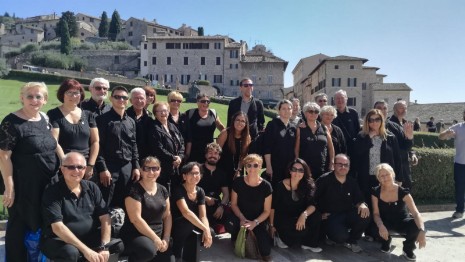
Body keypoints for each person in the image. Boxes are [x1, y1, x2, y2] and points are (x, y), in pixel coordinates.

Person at [0, 82, 59, 260]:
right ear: (22, 98)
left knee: (46, 221)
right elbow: (3, 156)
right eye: (30, 96)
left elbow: (54, 145)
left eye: (38, 96)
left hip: (48, 181)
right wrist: (9, 187)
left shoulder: (45, 118)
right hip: (24, 184)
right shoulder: (11, 122)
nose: (34, 100)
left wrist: (67, 164)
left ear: (45, 99)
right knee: (20, 225)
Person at [40, 152, 123, 262]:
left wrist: (104, 246)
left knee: (118, 245)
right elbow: (58, 227)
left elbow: (105, 217)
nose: (76, 171)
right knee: (71, 253)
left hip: (89, 237)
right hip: (61, 239)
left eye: (80, 167)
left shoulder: (92, 187)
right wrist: (86, 251)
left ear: (85, 169)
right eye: (71, 167)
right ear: (62, 169)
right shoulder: (52, 192)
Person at [314, 154, 370, 253]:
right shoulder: (324, 179)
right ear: (334, 165)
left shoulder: (352, 181)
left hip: (347, 214)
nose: (343, 167)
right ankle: (336, 236)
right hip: (330, 217)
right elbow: (312, 199)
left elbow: (359, 199)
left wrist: (362, 204)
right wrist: (318, 215)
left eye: (346, 165)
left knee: (365, 214)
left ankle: (352, 240)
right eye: (340, 164)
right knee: (341, 237)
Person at [121, 156, 172, 262]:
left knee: (169, 258)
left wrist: (166, 238)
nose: (151, 172)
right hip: (138, 234)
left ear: (160, 170)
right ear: (140, 170)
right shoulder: (133, 190)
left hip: (159, 234)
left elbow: (167, 215)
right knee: (148, 250)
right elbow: (135, 219)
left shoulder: (163, 189)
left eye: (155, 168)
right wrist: (155, 239)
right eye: (147, 168)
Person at [96, 86, 140, 208]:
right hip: (110, 167)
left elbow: (133, 144)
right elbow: (98, 146)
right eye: (117, 97)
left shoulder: (131, 121)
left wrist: (136, 166)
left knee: (125, 202)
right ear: (111, 98)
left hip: (127, 167)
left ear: (128, 100)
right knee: (105, 202)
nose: (121, 99)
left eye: (124, 97)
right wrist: (102, 168)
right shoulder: (102, 120)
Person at [371, 163, 426, 261]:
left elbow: (416, 213)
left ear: (392, 174)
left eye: (387, 174)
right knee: (372, 226)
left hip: (402, 221)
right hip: (385, 222)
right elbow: (376, 214)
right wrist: (380, 225)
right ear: (378, 178)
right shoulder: (375, 192)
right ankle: (386, 241)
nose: (385, 178)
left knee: (416, 225)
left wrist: (422, 230)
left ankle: (408, 249)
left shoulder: (403, 192)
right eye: (381, 176)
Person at [47, 79, 99, 180]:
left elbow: (95, 141)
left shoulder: (89, 115)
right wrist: (66, 165)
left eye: (76, 93)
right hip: (64, 167)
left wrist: (90, 165)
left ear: (81, 95)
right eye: (69, 92)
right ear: (63, 94)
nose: (73, 96)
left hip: (85, 166)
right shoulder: (54, 114)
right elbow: (54, 141)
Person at [270, 158, 322, 252]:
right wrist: (271, 225)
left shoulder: (307, 185)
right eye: (294, 169)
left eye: (301, 170)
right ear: (290, 171)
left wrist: (304, 215)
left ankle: (308, 244)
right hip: (283, 219)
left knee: (316, 216)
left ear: (304, 172)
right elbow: (272, 207)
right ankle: (280, 237)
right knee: (301, 232)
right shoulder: (280, 186)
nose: (297, 173)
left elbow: (312, 205)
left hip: (298, 216)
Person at [353, 109, 402, 205]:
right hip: (366, 177)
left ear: (382, 121)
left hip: (385, 178)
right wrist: (369, 138)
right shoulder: (362, 136)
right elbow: (356, 154)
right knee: (368, 204)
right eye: (370, 120)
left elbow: (397, 158)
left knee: (384, 204)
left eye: (377, 119)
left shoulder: (390, 137)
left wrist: (399, 178)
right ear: (367, 122)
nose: (374, 122)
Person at [229, 154, 273, 261]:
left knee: (265, 251)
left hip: (258, 220)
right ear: (245, 167)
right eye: (249, 165)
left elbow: (267, 211)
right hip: (240, 216)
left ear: (260, 167)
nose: (252, 168)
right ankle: (235, 238)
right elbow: (233, 204)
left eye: (255, 165)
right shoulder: (238, 182)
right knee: (229, 224)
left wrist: (254, 223)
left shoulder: (266, 186)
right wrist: (242, 218)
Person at [171, 162, 213, 260]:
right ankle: (176, 253)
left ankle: (190, 254)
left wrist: (207, 230)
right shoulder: (179, 190)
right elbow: (186, 212)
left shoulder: (200, 191)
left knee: (211, 231)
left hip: (191, 222)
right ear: (184, 176)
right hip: (178, 223)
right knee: (188, 224)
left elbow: (203, 216)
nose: (194, 176)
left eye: (197, 173)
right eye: (191, 173)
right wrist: (204, 229)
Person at [375, 100, 416, 188]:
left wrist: (410, 138)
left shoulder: (397, 125)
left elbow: (406, 146)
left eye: (384, 108)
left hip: (397, 169)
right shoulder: (367, 129)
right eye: (379, 108)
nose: (382, 110)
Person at [148, 101, 184, 191]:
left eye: (165, 110)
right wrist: (173, 158)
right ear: (155, 114)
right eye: (160, 111)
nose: (163, 113)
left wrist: (180, 157)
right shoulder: (153, 128)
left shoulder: (172, 126)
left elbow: (182, 142)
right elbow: (158, 148)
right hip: (162, 169)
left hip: (176, 168)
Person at [295, 102, 335, 180]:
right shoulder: (300, 129)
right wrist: (297, 164)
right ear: (305, 113)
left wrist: (332, 163)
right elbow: (296, 149)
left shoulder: (324, 128)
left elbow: (331, 148)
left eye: (316, 111)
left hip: (323, 168)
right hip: (305, 168)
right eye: (311, 111)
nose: (313, 113)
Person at [263, 99, 297, 188]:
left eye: (289, 108)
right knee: (276, 188)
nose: (287, 111)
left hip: (289, 165)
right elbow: (267, 146)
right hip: (275, 165)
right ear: (279, 110)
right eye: (283, 109)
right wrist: (269, 166)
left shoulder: (293, 127)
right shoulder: (272, 124)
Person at [198, 143, 230, 233]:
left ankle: (216, 226)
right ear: (206, 155)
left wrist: (221, 206)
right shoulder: (197, 169)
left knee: (231, 221)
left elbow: (226, 194)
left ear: (219, 157)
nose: (213, 155)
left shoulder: (221, 173)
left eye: (216, 153)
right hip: (199, 203)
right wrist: (205, 198)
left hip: (216, 204)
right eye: (210, 153)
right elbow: (189, 190)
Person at [439, 109, 465, 219]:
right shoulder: (458, 127)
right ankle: (459, 210)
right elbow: (441, 136)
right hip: (460, 163)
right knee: (460, 188)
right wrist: (446, 133)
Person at [184, 93, 225, 163]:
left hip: (209, 151)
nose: (206, 103)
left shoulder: (213, 113)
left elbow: (222, 129)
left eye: (208, 101)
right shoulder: (189, 113)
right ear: (197, 102)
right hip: (193, 150)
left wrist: (220, 140)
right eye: (203, 101)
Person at [217, 111, 251, 188]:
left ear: (246, 124)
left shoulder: (247, 137)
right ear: (233, 121)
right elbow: (216, 152)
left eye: (243, 121)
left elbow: (244, 156)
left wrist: (239, 170)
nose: (240, 123)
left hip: (237, 169)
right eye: (237, 120)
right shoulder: (225, 133)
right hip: (222, 168)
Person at [332, 89, 360, 158]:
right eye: (337, 98)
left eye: (342, 98)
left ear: (346, 99)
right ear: (334, 100)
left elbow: (358, 130)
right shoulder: (331, 114)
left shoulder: (353, 113)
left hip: (351, 148)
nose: (340, 100)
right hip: (336, 148)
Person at [127, 87, 153, 161]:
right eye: (136, 98)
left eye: (141, 98)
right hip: (127, 157)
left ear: (145, 100)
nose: (139, 101)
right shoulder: (124, 116)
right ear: (131, 100)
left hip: (144, 157)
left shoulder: (149, 118)